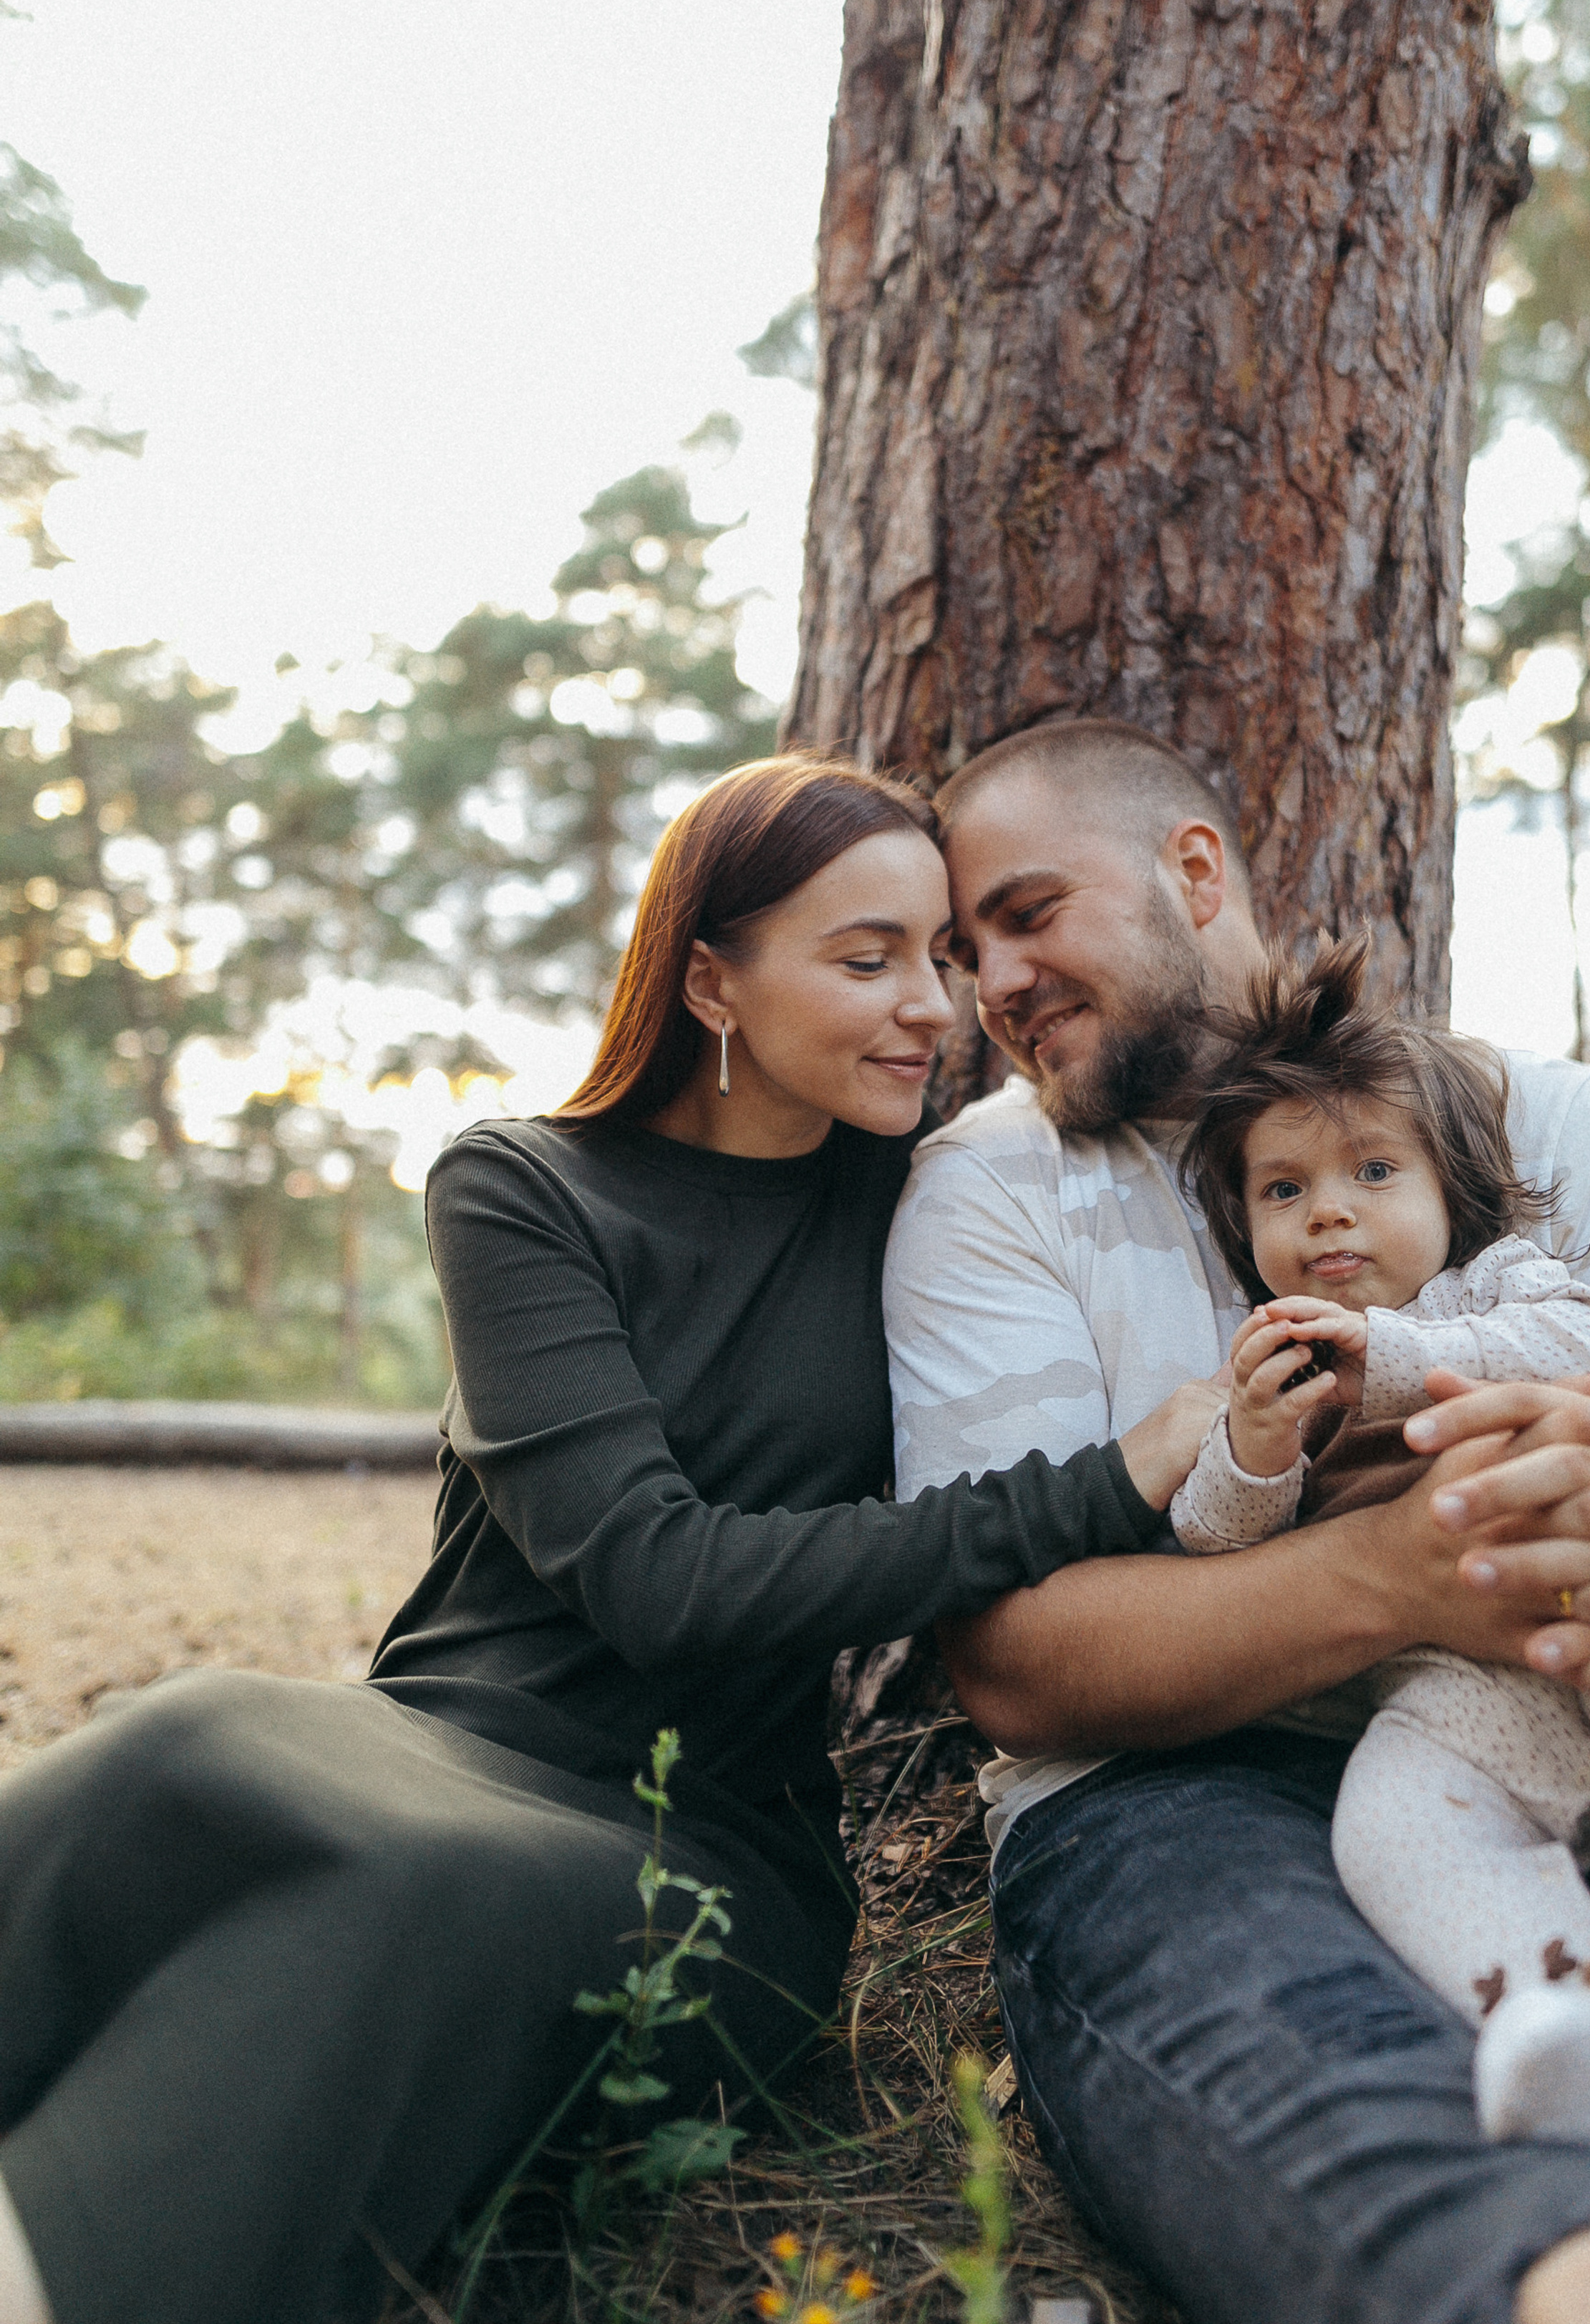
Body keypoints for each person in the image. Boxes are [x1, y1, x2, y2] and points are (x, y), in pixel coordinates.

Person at [0, 754, 1219, 2324]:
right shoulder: (521, 1188)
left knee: (412, 1900)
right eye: (865, 961)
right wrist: (1101, 1482)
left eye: (938, 956)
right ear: (710, 974)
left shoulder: (921, 1205)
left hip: (703, 1849)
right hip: (427, 1735)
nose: (930, 1006)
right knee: (178, 1744)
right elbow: (653, 1574)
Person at [887, 716, 1590, 2324]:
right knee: (1386, 2110)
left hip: (1583, 1710)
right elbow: (1021, 1669)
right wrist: (1401, 1571)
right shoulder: (987, 1195)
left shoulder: (1522, 1112)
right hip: (1174, 1798)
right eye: (956, 950)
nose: (992, 982)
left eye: (1025, 915)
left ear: (1192, 871)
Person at [1170, 932, 1590, 2192]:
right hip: (1447, 1703)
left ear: (1449, 1188)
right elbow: (1215, 1544)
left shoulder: (1505, 1283)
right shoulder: (1273, 1371)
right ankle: (1585, 2019)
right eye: (1284, 1192)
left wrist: (1394, 1355)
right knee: (1390, 1831)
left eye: (1374, 1170)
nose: (1332, 1212)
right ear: (1242, 1224)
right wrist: (1252, 1445)